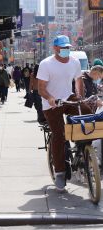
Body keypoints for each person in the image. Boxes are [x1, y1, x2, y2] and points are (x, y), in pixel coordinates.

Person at [37, 35, 92, 192]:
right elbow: (41, 88)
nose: (66, 50)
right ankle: (60, 171)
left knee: (88, 113)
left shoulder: (74, 62)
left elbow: (79, 80)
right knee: (59, 135)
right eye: (63, 48)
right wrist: (50, 98)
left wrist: (80, 97)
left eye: (68, 48)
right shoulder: (46, 64)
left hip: (68, 97)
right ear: (55, 48)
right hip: (51, 103)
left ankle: (85, 150)